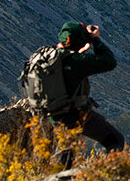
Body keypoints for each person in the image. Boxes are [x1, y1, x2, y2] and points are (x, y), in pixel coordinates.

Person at [52, 21, 125, 152]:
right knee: (115, 140)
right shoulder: (77, 62)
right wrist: (95, 39)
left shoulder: (51, 57)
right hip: (75, 115)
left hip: (53, 115)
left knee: (67, 151)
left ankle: (60, 171)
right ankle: (110, 170)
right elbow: (109, 62)